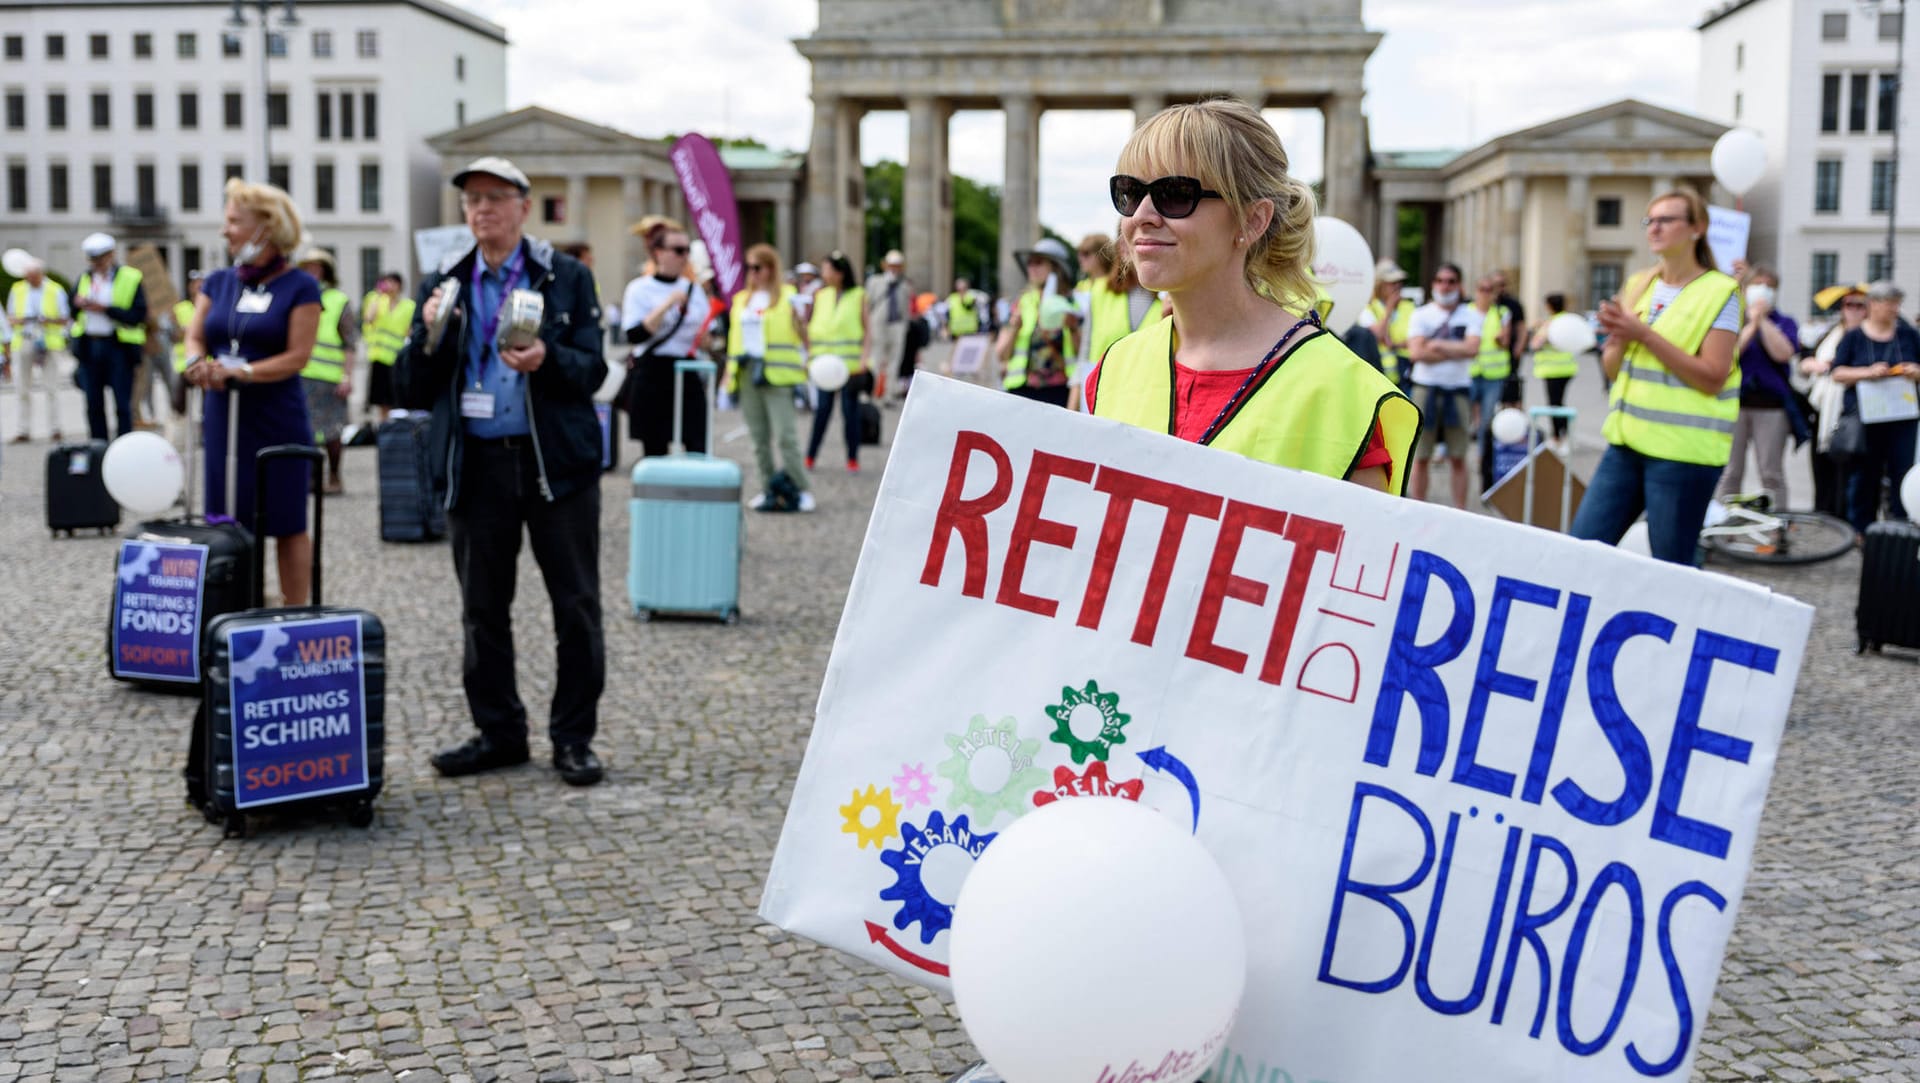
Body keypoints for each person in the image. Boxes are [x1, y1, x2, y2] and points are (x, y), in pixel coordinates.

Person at [399, 156, 609, 787]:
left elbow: (595, 371)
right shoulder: (445, 281)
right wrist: (430, 335)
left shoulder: (565, 276)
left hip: (554, 467)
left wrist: (548, 358)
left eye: (495, 198)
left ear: (523, 205)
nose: (482, 209)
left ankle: (572, 738)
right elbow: (409, 383)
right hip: (478, 464)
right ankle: (499, 732)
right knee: (482, 610)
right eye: (471, 201)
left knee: (574, 606)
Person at [1086, 98, 1417, 491]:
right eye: (1129, 192)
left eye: (1174, 194)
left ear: (1253, 220)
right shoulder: (1113, 369)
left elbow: (1364, 550)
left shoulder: (1344, 393)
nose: (1140, 214)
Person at [1570, 187, 1743, 565]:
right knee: (1579, 552)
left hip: (1682, 455)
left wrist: (1643, 334)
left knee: (1673, 566)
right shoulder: (1639, 283)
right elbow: (1613, 371)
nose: (1655, 228)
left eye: (1667, 220)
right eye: (1651, 220)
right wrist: (1616, 338)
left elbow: (1713, 377)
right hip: (1626, 445)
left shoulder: (1720, 291)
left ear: (1697, 228)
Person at [180, 178, 319, 605]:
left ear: (266, 226)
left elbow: (298, 356)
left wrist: (244, 373)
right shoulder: (219, 282)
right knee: (228, 518)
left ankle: (295, 615)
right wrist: (197, 364)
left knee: (288, 520)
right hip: (226, 418)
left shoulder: (300, 286)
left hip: (276, 416)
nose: (226, 232)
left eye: (234, 222)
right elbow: (194, 337)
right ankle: (236, 612)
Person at [727, 243, 815, 511]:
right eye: (749, 267)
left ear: (770, 269)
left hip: (778, 374)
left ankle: (802, 488)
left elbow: (803, 335)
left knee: (786, 435)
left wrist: (801, 320)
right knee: (758, 438)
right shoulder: (741, 299)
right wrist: (726, 377)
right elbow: (734, 338)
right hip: (746, 373)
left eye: (758, 267)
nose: (752, 273)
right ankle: (767, 487)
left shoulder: (788, 296)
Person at [1829, 279, 1920, 534]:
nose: (1894, 309)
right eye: (1890, 303)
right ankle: (1861, 529)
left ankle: (1902, 527)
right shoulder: (1855, 337)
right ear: (1874, 305)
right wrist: (1866, 372)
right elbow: (1837, 372)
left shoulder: (1908, 335)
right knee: (1864, 475)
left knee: (1902, 471)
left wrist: (1914, 371)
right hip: (1865, 418)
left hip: (1902, 416)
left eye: (1897, 304)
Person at [1713, 266, 1804, 511]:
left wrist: (1762, 321)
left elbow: (1783, 353)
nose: (1763, 290)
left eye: (1769, 286)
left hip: (1771, 408)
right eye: (1758, 284)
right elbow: (1730, 355)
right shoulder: (1733, 320)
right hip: (1735, 405)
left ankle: (1777, 524)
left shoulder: (1785, 322)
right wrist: (1750, 323)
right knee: (1729, 471)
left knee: (1771, 471)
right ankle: (1723, 520)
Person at [620, 223, 711, 457]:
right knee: (655, 446)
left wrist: (708, 339)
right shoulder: (639, 289)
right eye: (678, 250)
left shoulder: (694, 290)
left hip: (686, 368)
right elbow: (634, 335)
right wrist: (667, 304)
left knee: (696, 443)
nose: (684, 256)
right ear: (659, 253)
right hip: (653, 371)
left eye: (687, 250)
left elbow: (706, 337)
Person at [1405, 263, 1479, 506]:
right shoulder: (1421, 314)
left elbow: (1473, 348)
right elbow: (1416, 352)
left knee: (1458, 456)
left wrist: (1435, 345)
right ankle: (1419, 509)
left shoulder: (1471, 315)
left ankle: (1461, 512)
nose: (1444, 286)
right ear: (1433, 284)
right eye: (1440, 280)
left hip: (1457, 390)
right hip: (1425, 389)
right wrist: (1455, 350)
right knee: (1421, 456)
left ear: (1459, 285)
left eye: (1450, 281)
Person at [1075, 233, 1165, 412]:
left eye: (1134, 237)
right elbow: (1084, 352)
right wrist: (1073, 406)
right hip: (1102, 397)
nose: (1125, 244)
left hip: (1149, 398)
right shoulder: (1099, 290)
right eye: (1121, 238)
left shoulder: (1171, 296)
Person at [71, 232, 148, 441]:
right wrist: (77, 304)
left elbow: (138, 315)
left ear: (111, 255)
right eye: (92, 259)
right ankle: (98, 448)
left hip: (119, 348)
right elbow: (71, 311)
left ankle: (123, 447)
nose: (96, 264)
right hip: (90, 346)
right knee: (93, 404)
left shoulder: (130, 277)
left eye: (100, 258)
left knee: (123, 404)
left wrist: (105, 309)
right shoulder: (85, 278)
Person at [1803, 283, 1869, 518]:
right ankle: (1823, 510)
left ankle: (1845, 515)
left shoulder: (1866, 335)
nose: (1853, 309)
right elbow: (1806, 358)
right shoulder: (1830, 333)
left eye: (1859, 305)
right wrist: (1815, 365)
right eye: (1848, 304)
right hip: (1824, 406)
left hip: (1852, 408)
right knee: (1823, 462)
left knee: (1848, 464)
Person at [294, 249, 357, 494]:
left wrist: (347, 376)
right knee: (304, 431)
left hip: (329, 378)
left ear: (326, 272)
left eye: (317, 267)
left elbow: (350, 343)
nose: (312, 272)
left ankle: (334, 477)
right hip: (302, 374)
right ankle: (310, 479)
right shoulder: (297, 297)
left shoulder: (338, 300)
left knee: (332, 431)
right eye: (307, 267)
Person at [996, 237, 1081, 408]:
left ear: (1055, 268)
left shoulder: (1073, 303)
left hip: (1060, 392)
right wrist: (1014, 328)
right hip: (1021, 390)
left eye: (1039, 263)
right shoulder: (1021, 302)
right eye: (1030, 263)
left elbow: (1085, 354)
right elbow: (1001, 355)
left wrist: (1072, 328)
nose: (1032, 268)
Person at [804, 251, 869, 472]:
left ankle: (852, 457)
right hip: (824, 365)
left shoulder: (858, 295)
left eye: (827, 268)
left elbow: (867, 329)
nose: (823, 273)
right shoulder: (819, 295)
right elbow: (809, 326)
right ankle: (810, 455)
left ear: (840, 272)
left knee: (850, 412)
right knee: (822, 410)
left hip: (849, 366)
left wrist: (864, 359)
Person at [6, 257, 70, 443]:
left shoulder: (55, 290)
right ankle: (23, 429)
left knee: (52, 387)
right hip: (25, 340)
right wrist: (23, 320)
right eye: (28, 276)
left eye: (34, 276)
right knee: (22, 388)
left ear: (41, 274)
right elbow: (11, 318)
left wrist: (48, 320)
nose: (30, 280)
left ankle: (56, 428)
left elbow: (65, 318)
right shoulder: (18, 289)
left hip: (48, 342)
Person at [1467, 274, 1515, 493]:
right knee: (1463, 418)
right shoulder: (1467, 311)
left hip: (1493, 374)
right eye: (1482, 288)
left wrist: (1502, 338)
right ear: (1476, 291)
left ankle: (1481, 458)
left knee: (1487, 420)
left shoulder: (1502, 313)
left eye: (1490, 289)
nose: (1486, 293)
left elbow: (1506, 340)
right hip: (1470, 371)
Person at [1526, 292, 1579, 447]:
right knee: (1559, 403)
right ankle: (1565, 434)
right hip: (1567, 368)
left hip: (1552, 369)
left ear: (1549, 306)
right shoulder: (1568, 321)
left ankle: (1559, 437)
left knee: (1554, 406)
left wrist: (1538, 329)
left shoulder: (1550, 323)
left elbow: (1535, 345)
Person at [360, 272, 412, 423]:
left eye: (392, 282)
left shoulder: (408, 306)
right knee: (382, 400)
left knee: (396, 399)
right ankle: (384, 428)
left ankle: (395, 428)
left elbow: (409, 331)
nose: (389, 286)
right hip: (379, 356)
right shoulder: (375, 299)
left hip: (397, 358)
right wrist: (378, 295)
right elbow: (368, 318)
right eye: (386, 282)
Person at [864, 249, 912, 402]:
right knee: (876, 360)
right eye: (891, 265)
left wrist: (905, 325)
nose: (894, 268)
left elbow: (906, 308)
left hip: (896, 324)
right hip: (878, 323)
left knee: (894, 361)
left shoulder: (904, 285)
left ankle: (888, 394)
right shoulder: (875, 281)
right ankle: (872, 392)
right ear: (885, 266)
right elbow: (868, 303)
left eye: (897, 265)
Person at [1366, 260, 1415, 392]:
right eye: (1392, 283)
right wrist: (1389, 309)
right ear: (1380, 284)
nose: (1397, 287)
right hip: (1379, 372)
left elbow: (1417, 339)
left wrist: (1395, 344)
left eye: (1400, 282)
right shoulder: (1370, 307)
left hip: (1406, 372)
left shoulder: (1409, 306)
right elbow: (1377, 335)